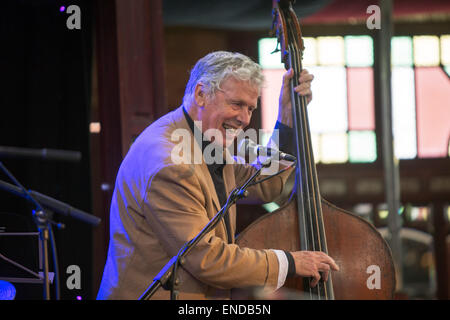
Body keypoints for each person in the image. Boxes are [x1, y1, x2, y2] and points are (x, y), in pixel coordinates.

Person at [97, 51, 339, 300]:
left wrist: (287, 116)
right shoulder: (171, 164)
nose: (244, 119)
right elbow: (207, 259)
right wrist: (290, 262)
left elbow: (264, 183)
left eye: (250, 108)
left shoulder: (202, 137)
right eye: (236, 104)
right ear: (201, 94)